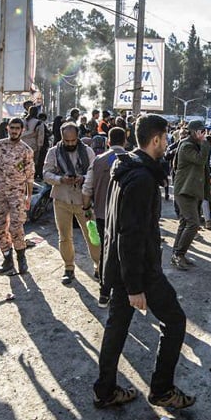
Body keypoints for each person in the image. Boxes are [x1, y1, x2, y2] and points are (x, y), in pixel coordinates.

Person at [93, 114, 196, 411]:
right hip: (139, 269)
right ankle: (162, 390)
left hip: (122, 266)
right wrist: (135, 286)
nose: (168, 143)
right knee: (175, 321)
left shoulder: (126, 167)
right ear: (155, 140)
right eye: (166, 138)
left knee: (117, 327)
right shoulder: (141, 178)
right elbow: (131, 235)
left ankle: (105, 390)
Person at [44, 121, 100, 286]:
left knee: (93, 236)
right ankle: (69, 268)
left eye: (73, 141)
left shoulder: (88, 151)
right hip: (61, 199)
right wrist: (60, 179)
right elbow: (46, 173)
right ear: (61, 137)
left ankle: (99, 266)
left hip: (84, 201)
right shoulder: (53, 152)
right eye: (66, 141)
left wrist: (82, 178)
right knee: (64, 237)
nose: (70, 144)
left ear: (77, 138)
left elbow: (94, 173)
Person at [0, 117, 34, 276]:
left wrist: (29, 197)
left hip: (17, 195)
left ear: (22, 130)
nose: (14, 131)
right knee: (0, 227)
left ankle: (21, 257)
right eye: (12, 128)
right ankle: (7, 258)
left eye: (18, 128)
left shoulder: (26, 150)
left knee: (16, 226)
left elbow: (30, 176)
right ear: (7, 128)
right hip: (0, 194)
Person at [83, 126, 127, 307]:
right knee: (124, 253)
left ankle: (104, 292)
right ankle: (125, 292)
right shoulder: (131, 160)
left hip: (102, 215)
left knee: (106, 254)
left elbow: (87, 188)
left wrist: (86, 207)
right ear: (125, 141)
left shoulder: (98, 160)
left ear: (108, 141)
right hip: (125, 216)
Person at [171, 119, 208, 270]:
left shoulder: (193, 144)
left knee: (185, 223)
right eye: (201, 131)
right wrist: (205, 142)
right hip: (184, 190)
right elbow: (201, 160)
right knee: (193, 223)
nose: (203, 134)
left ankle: (177, 254)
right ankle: (179, 254)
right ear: (193, 132)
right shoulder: (187, 145)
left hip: (190, 190)